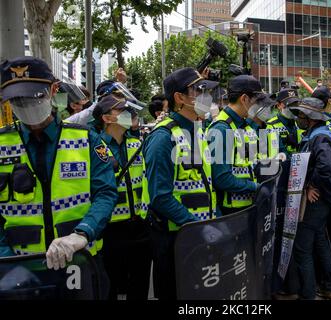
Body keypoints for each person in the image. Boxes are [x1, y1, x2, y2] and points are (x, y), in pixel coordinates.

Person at [0, 57, 117, 296]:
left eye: (34, 95)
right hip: (20, 270)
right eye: (17, 99)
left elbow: (105, 193)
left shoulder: (85, 140)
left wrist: (82, 233)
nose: (26, 104)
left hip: (81, 261)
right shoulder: (1, 144)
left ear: (54, 90)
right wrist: (6, 260)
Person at [142, 67, 219, 299]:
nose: (206, 96)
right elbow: (160, 196)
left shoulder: (198, 131)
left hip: (198, 234)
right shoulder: (162, 138)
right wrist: (195, 226)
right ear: (179, 98)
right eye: (199, 90)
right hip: (174, 239)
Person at [289, 97, 331, 300]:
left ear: (310, 118)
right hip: (326, 198)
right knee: (320, 241)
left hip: (317, 200)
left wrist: (312, 185)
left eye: (301, 115)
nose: (298, 118)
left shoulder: (321, 137)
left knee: (302, 248)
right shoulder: (321, 134)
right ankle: (330, 287)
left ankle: (307, 294)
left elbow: (326, 166)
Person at [92, 95, 152, 300]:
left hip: (139, 227)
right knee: (109, 288)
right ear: (107, 118)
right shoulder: (94, 147)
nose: (130, 115)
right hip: (109, 230)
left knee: (140, 285)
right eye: (122, 111)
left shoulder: (137, 144)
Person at [207, 75, 263, 215]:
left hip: (246, 206)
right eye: (257, 101)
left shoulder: (242, 125)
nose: (259, 107)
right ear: (244, 99)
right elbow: (221, 178)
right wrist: (255, 187)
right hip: (230, 213)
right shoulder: (222, 129)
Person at [266, 88, 304, 158]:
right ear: (278, 105)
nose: (292, 107)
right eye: (288, 104)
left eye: (295, 103)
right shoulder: (271, 125)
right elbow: (276, 153)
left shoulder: (301, 123)